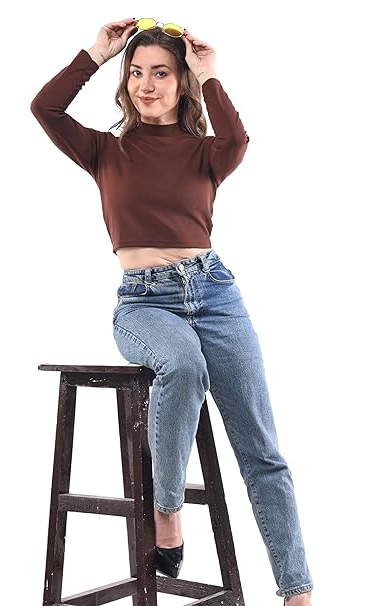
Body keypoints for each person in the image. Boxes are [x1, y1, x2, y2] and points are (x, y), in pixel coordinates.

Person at [30, 17, 313, 604]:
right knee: (183, 366)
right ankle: (167, 509)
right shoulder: (104, 150)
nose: (146, 85)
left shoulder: (206, 153)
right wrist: (97, 53)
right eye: (137, 73)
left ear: (181, 82)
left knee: (262, 450)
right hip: (144, 302)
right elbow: (45, 108)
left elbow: (237, 140)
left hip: (215, 295)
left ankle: (298, 591)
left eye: (161, 73)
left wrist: (209, 74)